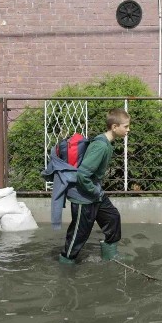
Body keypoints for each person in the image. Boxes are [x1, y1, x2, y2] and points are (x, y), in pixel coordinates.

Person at [59, 108, 131, 264]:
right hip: (83, 196)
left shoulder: (105, 143)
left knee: (112, 217)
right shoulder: (101, 146)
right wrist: (93, 191)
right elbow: (82, 175)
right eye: (125, 126)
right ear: (114, 127)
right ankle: (66, 264)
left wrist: (96, 192)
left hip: (94, 192)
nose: (128, 130)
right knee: (79, 233)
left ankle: (110, 255)